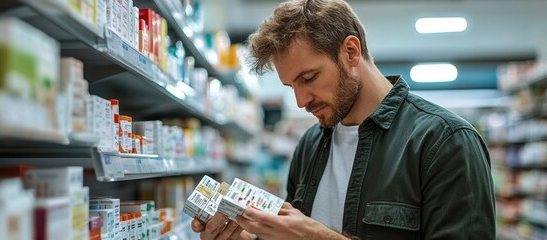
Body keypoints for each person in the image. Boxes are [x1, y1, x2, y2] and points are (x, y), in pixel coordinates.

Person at [192, 0, 496, 239]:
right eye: (291, 87)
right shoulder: (310, 145)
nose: (301, 101)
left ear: (351, 52)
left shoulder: (445, 142)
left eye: (309, 78)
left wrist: (317, 238)